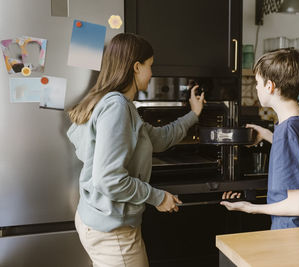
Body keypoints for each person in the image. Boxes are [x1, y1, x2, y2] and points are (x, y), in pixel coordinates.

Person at [67, 33, 205, 267]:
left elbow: (158, 139)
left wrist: (193, 114)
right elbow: (108, 179)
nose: (152, 74)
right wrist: (157, 196)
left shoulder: (117, 104)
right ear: (136, 67)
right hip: (113, 231)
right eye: (150, 66)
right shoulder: (117, 107)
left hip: (100, 221)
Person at [221, 48, 299, 230]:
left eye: (257, 82)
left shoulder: (287, 133)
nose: (256, 87)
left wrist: (250, 208)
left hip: (294, 234)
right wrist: (267, 135)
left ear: (270, 86)